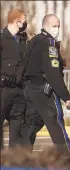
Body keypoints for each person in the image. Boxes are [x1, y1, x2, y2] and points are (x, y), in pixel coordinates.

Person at [21, 14, 70, 161]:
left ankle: (20, 161)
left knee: (30, 127)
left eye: (58, 26)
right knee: (57, 126)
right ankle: (68, 162)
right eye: (54, 26)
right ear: (45, 26)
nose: (57, 29)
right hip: (45, 92)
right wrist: (66, 96)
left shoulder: (34, 41)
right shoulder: (49, 43)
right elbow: (52, 73)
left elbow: (25, 63)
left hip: (30, 89)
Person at [0, 9, 29, 149]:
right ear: (17, 22)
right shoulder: (2, 37)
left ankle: (12, 165)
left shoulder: (23, 40)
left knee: (16, 131)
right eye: (24, 20)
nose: (25, 23)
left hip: (19, 90)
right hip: (3, 89)